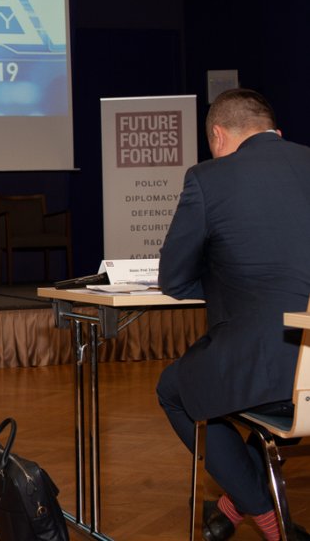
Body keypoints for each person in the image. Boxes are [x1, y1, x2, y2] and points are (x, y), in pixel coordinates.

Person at [156, 88, 310, 541]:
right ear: (275, 131)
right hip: (307, 374)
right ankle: (235, 504)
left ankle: (267, 517)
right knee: (262, 397)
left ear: (218, 136)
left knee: (176, 389)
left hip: (270, 368)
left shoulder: (209, 178)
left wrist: (221, 277)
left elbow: (174, 278)